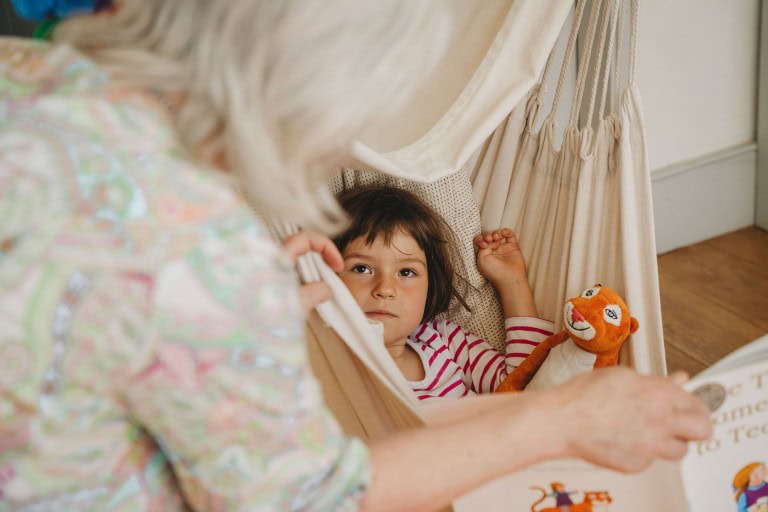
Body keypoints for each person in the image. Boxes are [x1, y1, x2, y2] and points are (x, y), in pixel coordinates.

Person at [0, 1, 713, 511]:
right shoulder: (196, 249)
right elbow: (308, 496)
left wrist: (234, 300)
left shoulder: (23, 74)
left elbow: (87, 309)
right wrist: (565, 422)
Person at [333, 185, 554, 400]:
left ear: (431, 285)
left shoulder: (441, 342)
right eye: (361, 268)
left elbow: (527, 387)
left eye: (407, 272)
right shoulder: (319, 363)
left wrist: (512, 283)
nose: (385, 289)